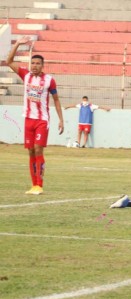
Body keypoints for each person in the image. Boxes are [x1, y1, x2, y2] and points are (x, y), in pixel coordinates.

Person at [7, 36, 64, 195]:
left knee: (38, 149)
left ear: (43, 66)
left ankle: (40, 184)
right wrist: (17, 44)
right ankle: (34, 185)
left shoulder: (49, 80)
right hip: (28, 119)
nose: (35, 66)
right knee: (31, 151)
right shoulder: (25, 76)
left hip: (42, 120)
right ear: (30, 64)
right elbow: (9, 61)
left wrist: (61, 120)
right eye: (33, 63)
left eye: (38, 63)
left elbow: (56, 100)